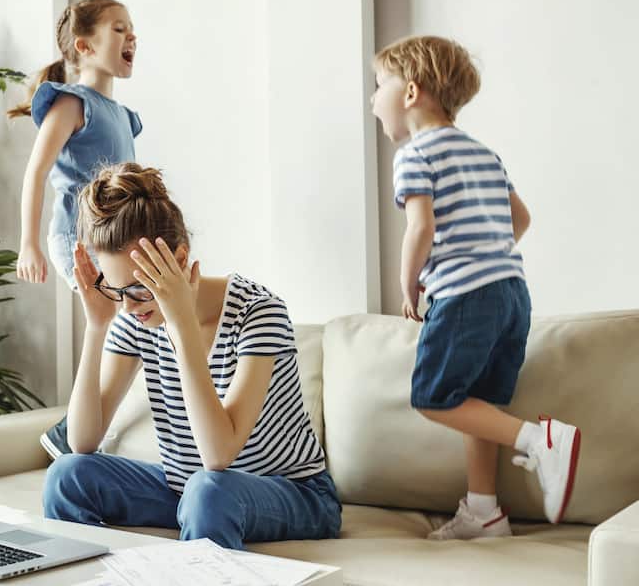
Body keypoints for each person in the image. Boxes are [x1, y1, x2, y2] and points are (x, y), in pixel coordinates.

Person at [41, 162, 341, 550]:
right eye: (118, 291)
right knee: (67, 475)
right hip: (189, 488)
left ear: (179, 261)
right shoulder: (137, 317)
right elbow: (82, 441)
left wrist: (182, 324)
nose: (128, 308)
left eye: (139, 289)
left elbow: (218, 455)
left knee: (208, 491)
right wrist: (96, 327)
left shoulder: (259, 312)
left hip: (296, 494)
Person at [370, 35, 581, 539]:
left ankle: (539, 440)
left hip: (464, 296)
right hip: (512, 292)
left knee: (432, 396)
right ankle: (485, 511)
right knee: (478, 401)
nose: (373, 99)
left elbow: (420, 228)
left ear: (411, 91)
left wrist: (411, 284)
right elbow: (521, 217)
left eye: (379, 86)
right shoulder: (484, 153)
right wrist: (489, 254)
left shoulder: (414, 153)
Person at [7, 0, 141, 458]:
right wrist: (28, 243)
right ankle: (77, 432)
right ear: (84, 46)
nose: (131, 36)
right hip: (78, 241)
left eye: (131, 29)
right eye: (119, 29)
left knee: (142, 329)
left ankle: (77, 431)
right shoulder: (71, 103)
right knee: (128, 327)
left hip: (114, 244)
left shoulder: (123, 117)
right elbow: (36, 171)